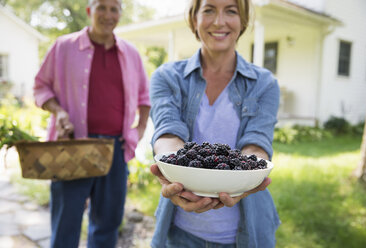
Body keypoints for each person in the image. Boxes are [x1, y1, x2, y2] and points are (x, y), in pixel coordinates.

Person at [149, 0, 280, 247]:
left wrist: (248, 173)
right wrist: (172, 167)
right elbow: (167, 132)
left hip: (248, 234)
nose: (219, 21)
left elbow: (256, 143)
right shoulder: (166, 77)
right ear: (193, 18)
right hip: (180, 233)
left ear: (242, 20)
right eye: (209, 9)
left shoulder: (264, 84)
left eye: (230, 10)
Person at [33, 0, 150, 247]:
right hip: (72, 147)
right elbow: (41, 87)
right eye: (101, 7)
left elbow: (144, 98)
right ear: (89, 11)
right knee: (65, 225)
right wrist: (59, 112)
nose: (108, 15)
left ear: (120, 13)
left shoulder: (131, 53)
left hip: (115, 150)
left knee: (107, 226)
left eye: (114, 8)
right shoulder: (63, 47)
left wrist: (138, 132)